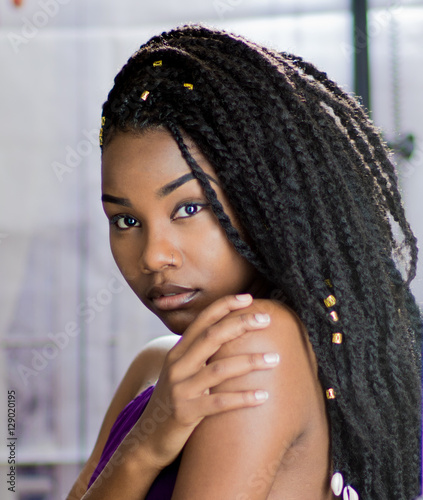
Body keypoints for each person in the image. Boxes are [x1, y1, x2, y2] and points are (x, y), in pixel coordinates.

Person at [67, 24, 421, 500]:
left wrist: (146, 449)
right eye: (125, 220)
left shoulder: (261, 347)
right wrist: (145, 443)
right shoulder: (155, 365)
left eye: (189, 208)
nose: (153, 256)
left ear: (260, 200)